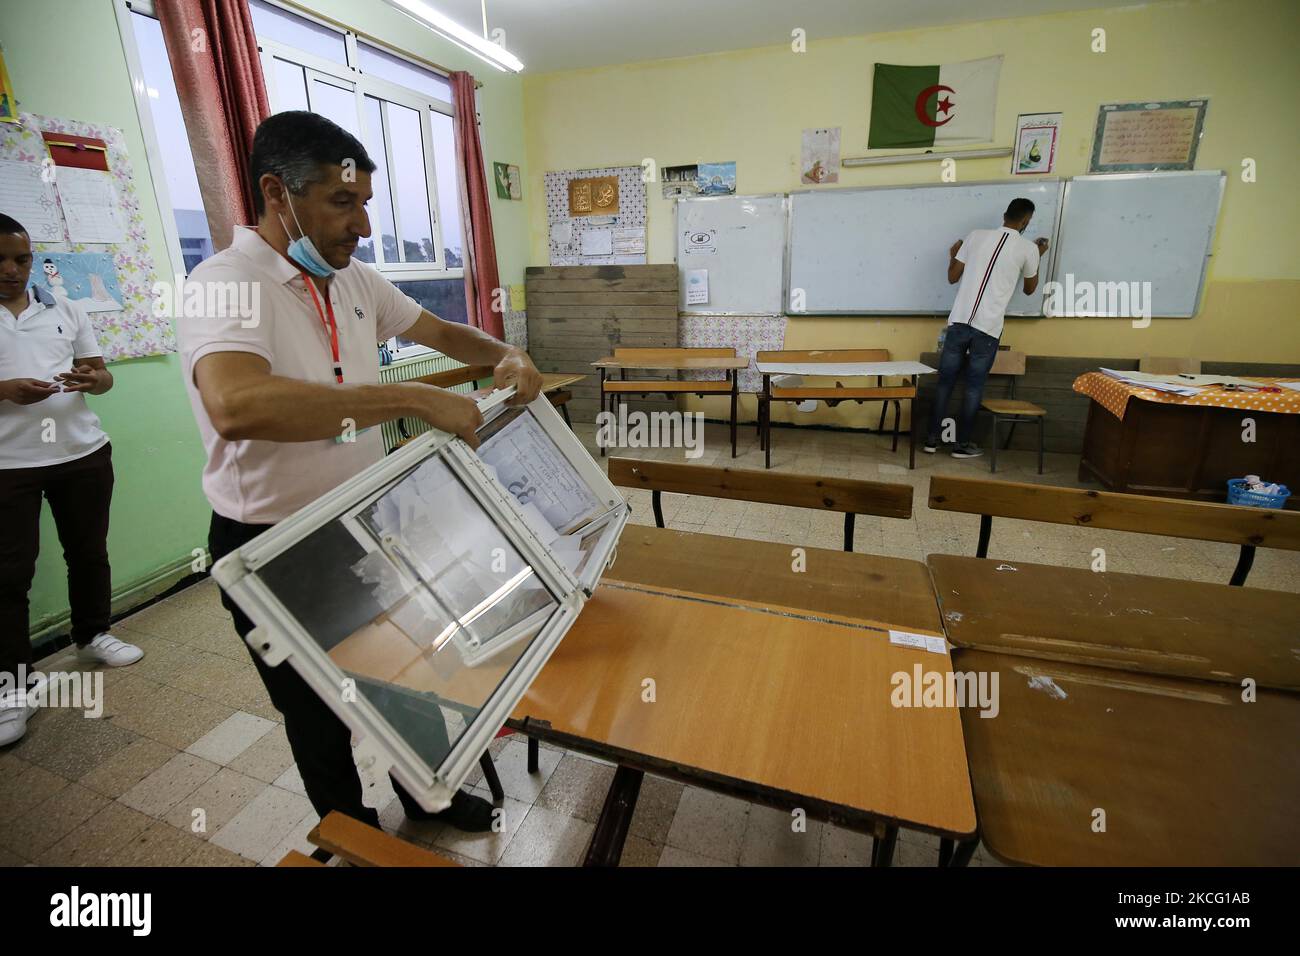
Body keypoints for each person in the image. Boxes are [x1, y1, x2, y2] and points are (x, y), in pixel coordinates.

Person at [178, 111, 542, 832]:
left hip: (363, 523)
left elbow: (440, 332)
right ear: (278, 193)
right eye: (343, 202)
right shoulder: (224, 284)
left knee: (405, 678)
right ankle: (351, 833)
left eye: (366, 204)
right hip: (270, 544)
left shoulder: (353, 280)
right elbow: (236, 404)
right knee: (316, 709)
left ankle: (426, 793)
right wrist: (411, 398)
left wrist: (505, 354)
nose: (363, 225)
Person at [0, 214, 143, 748]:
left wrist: (93, 379)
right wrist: (7, 390)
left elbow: (100, 374)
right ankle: (13, 687)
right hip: (7, 466)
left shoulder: (66, 307)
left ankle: (93, 634)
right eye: (1, 260)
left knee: (87, 552)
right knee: (8, 576)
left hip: (81, 452)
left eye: (21, 258)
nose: (12, 270)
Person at [924, 198, 1048, 458]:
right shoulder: (1028, 250)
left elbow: (952, 277)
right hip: (988, 329)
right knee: (973, 386)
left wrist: (953, 255)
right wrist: (1037, 257)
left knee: (945, 382)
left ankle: (931, 440)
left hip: (959, 322)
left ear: (1004, 215)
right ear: (1026, 222)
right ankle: (961, 445)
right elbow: (1029, 289)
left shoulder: (975, 236)